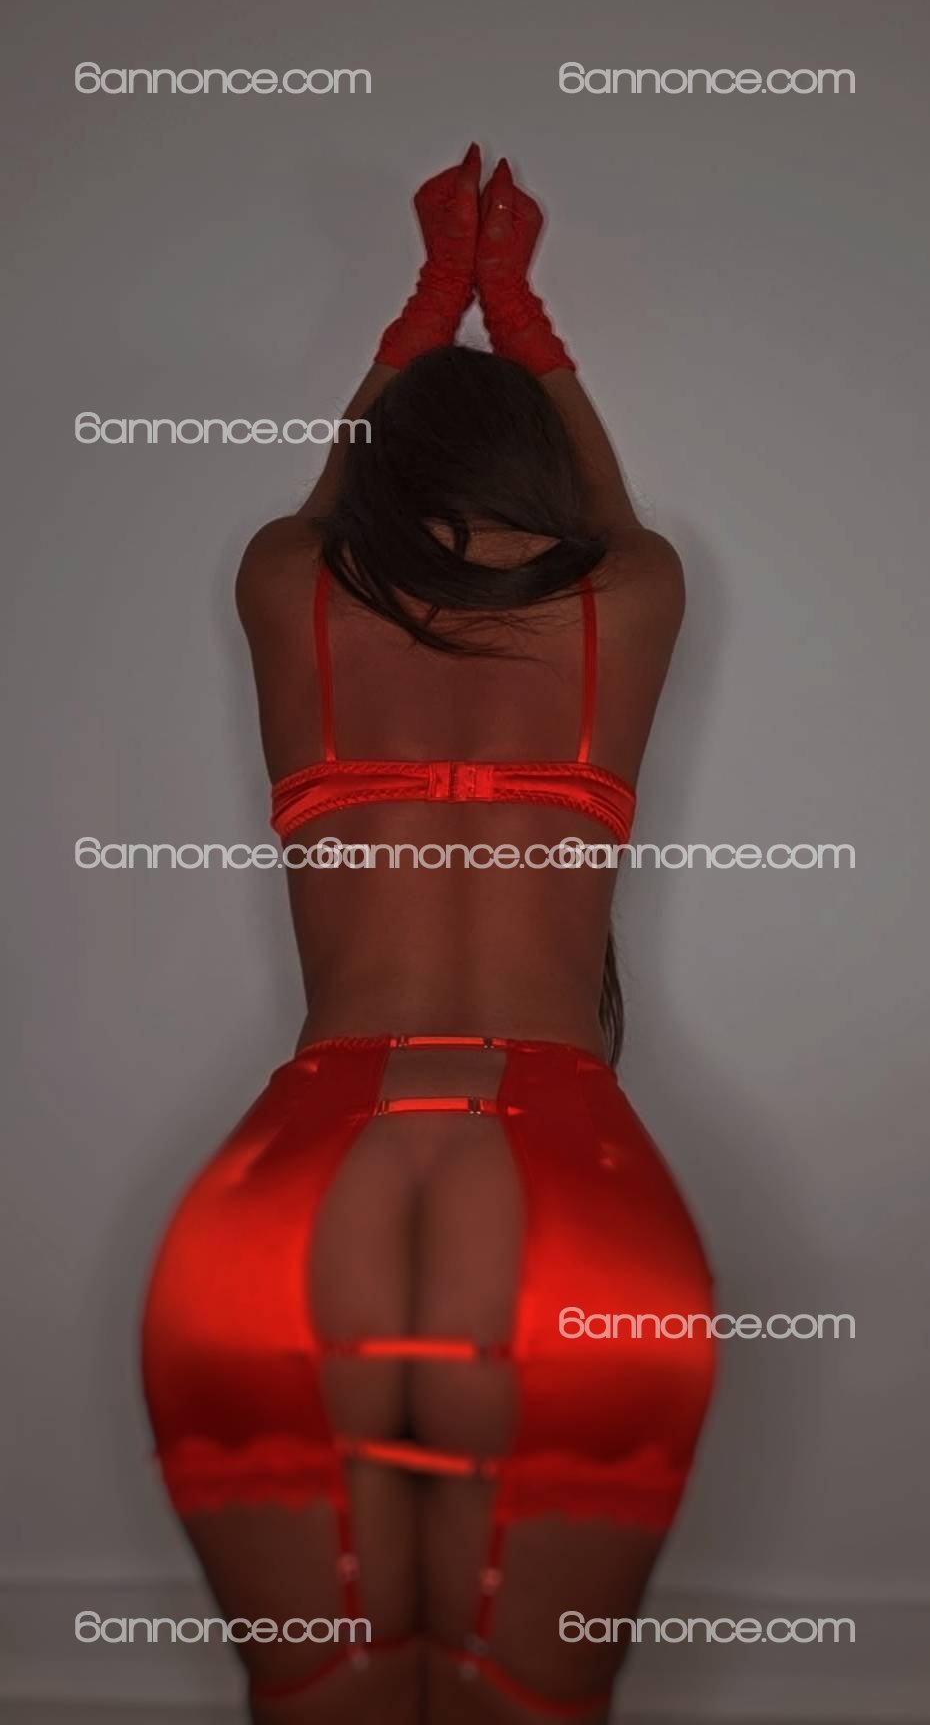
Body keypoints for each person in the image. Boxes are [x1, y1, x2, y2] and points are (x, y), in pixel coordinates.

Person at [142, 145, 716, 1725]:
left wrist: (420, 309)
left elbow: (318, 507)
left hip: (302, 1173)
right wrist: (520, 315)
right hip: (563, 1179)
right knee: (524, 1701)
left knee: (320, 1696)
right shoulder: (629, 596)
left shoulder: (288, 586)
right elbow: (607, 519)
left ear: (375, 467)